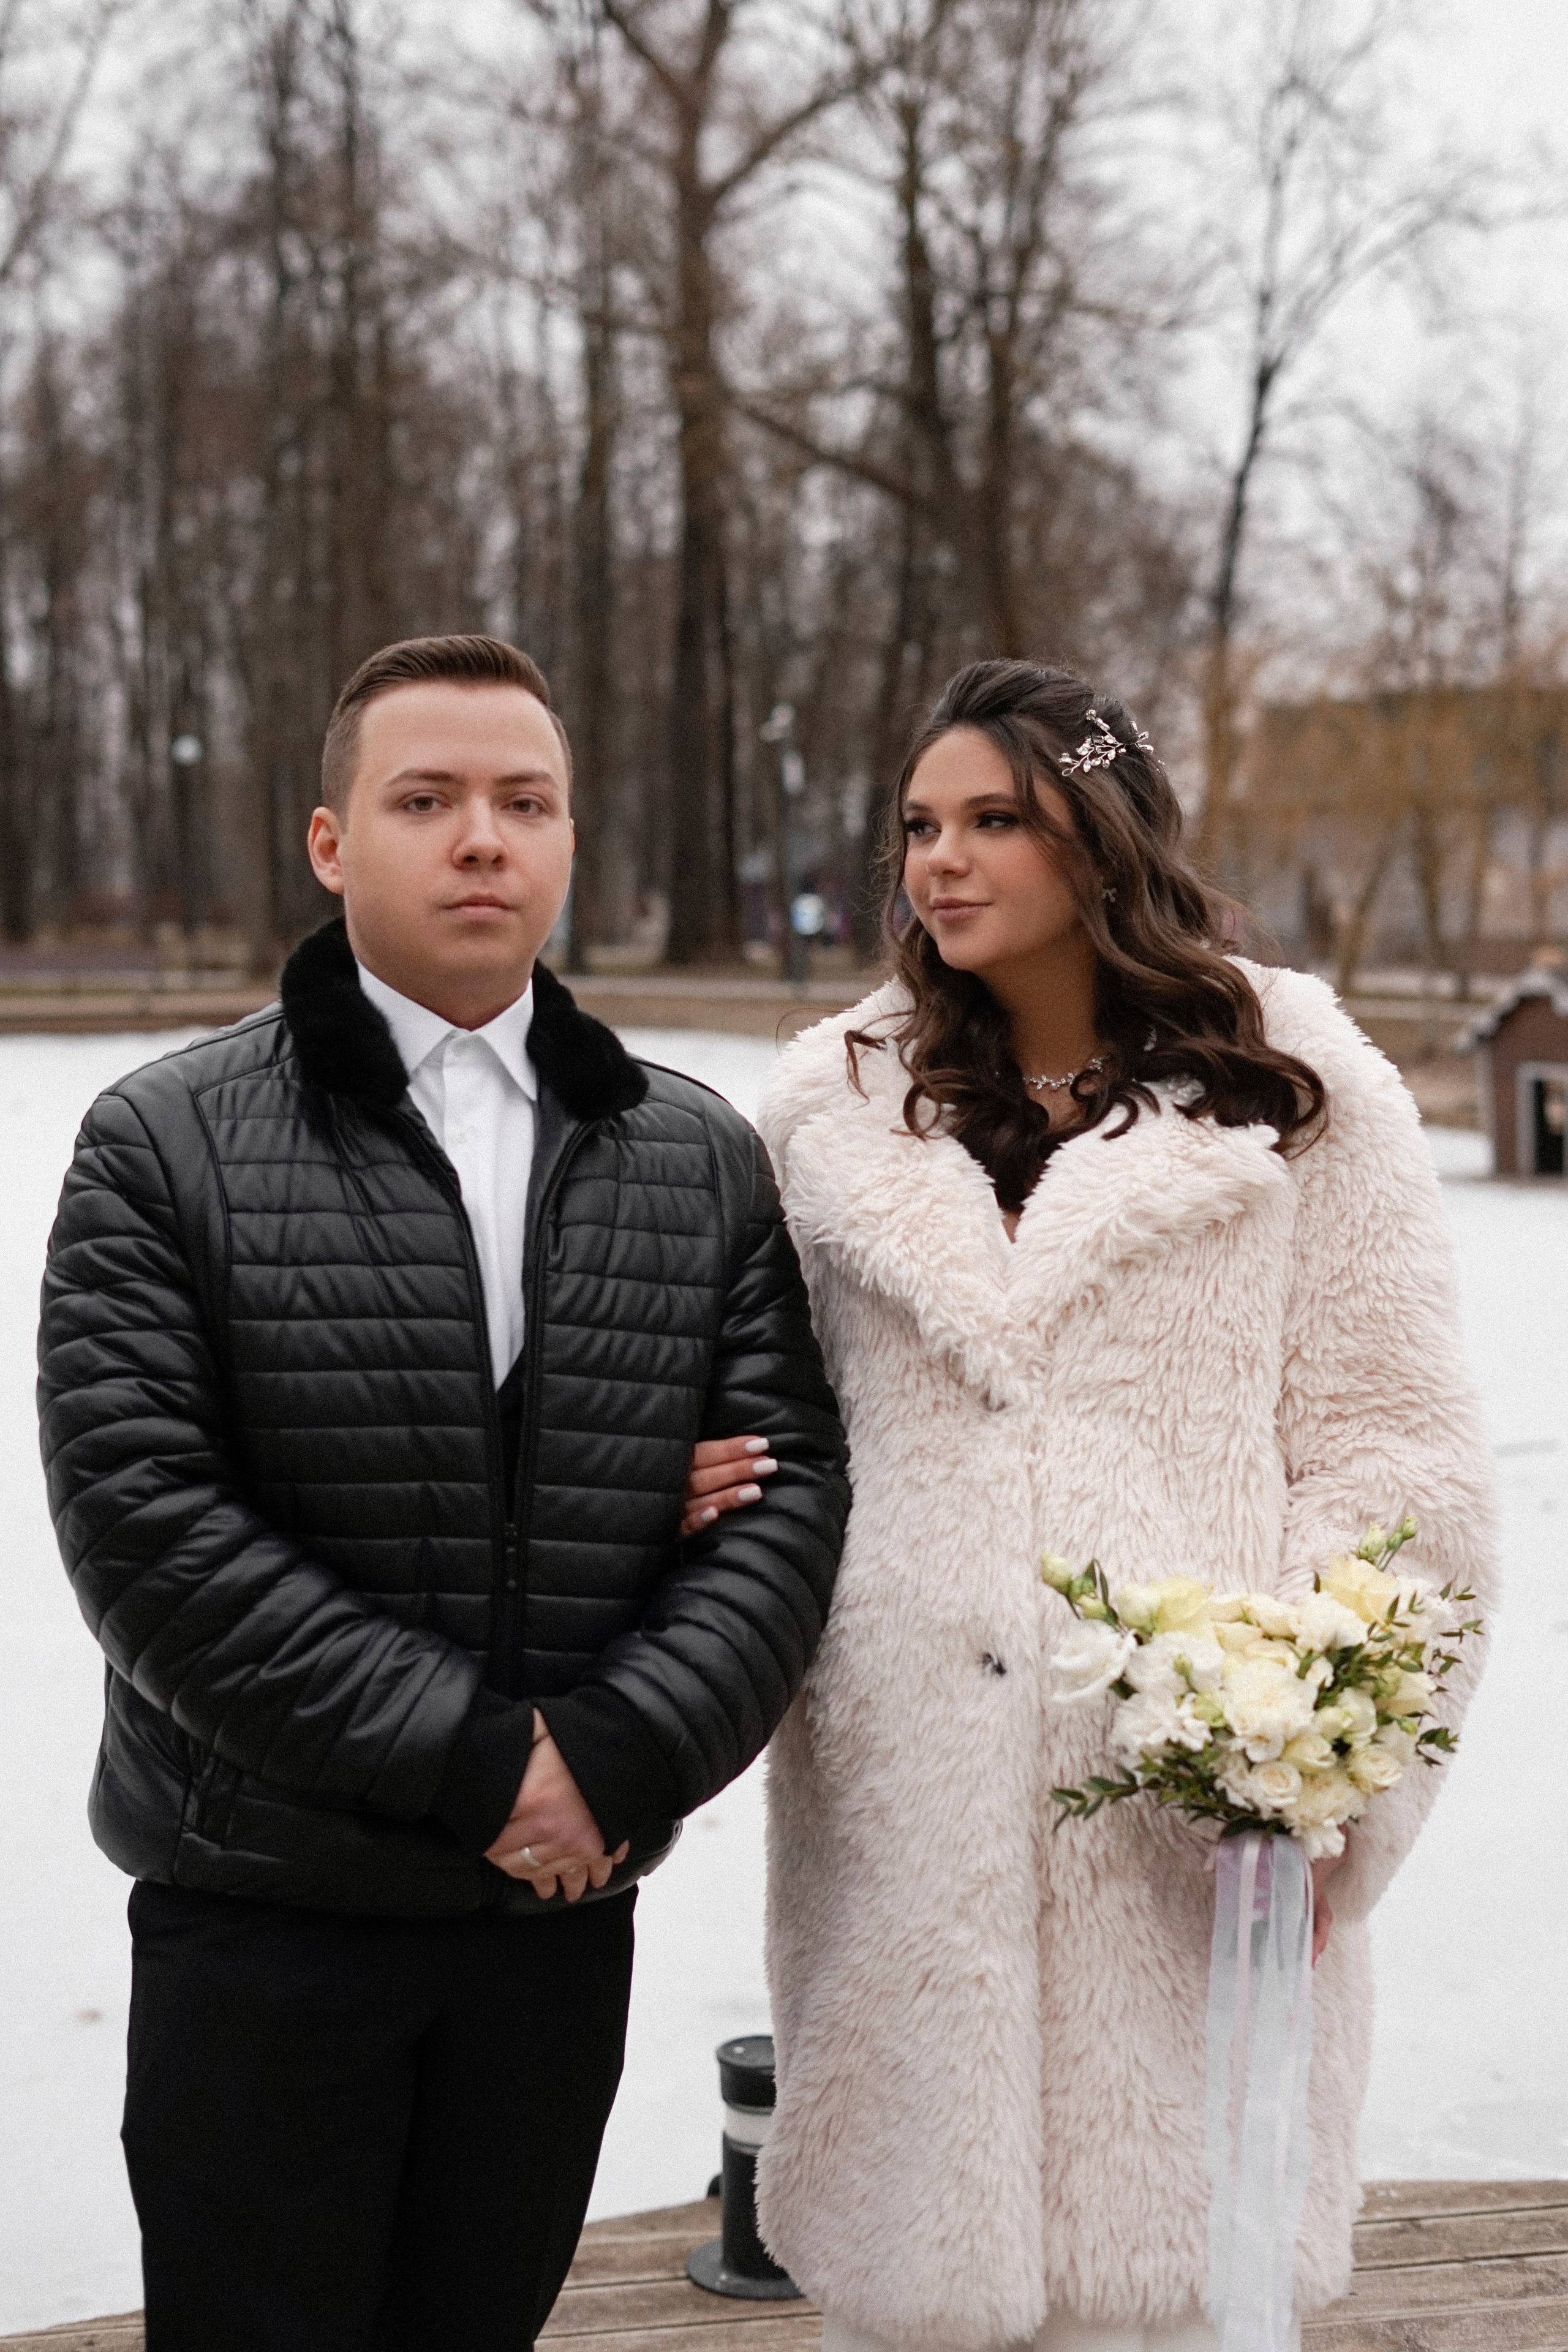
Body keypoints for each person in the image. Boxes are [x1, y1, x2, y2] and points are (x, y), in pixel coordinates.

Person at [37, 632, 849, 2352]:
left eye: (523, 800)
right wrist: (491, 1764)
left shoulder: (697, 1159)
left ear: (568, 838)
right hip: (267, 1922)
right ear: (333, 843)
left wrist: (612, 1764)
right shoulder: (161, 1144)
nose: (481, 837)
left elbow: (787, 1497)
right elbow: (147, 1527)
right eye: (427, 799)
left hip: (550, 1928)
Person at [695, 659, 1496, 2352]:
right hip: (905, 1817)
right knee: (916, 2282)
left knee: (1170, 2288)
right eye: (920, 824)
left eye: (996, 820)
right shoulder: (829, 1110)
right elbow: (763, 1410)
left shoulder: (1293, 1086)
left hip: (1190, 1819)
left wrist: (1338, 1752)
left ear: (1102, 836)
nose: (942, 861)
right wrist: (700, 1484)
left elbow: (1395, 1455)